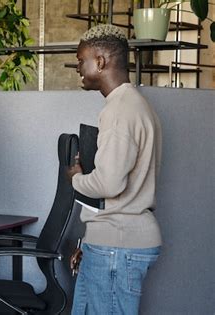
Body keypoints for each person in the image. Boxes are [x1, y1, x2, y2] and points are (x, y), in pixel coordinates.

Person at [67, 24, 162, 315]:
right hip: (111, 244)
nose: (78, 67)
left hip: (117, 247)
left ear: (101, 61)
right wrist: (91, 240)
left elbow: (109, 184)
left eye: (81, 59)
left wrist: (76, 178)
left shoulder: (120, 111)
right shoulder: (133, 105)